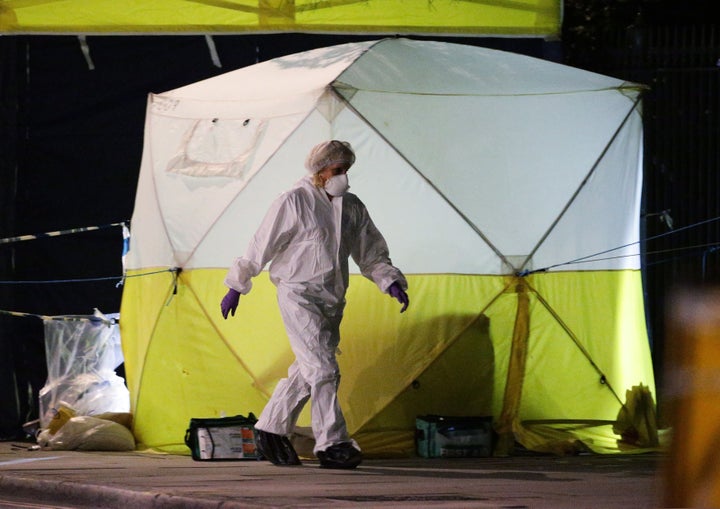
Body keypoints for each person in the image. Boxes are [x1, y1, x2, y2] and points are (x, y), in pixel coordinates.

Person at [220, 140, 409, 469]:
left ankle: (270, 429)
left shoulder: (351, 206)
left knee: (308, 371)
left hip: (333, 298)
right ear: (320, 171)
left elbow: (370, 250)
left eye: (346, 171)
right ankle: (332, 443)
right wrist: (237, 285)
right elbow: (260, 244)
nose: (344, 178)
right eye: (338, 171)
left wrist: (389, 279)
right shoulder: (293, 201)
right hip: (298, 295)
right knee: (323, 369)